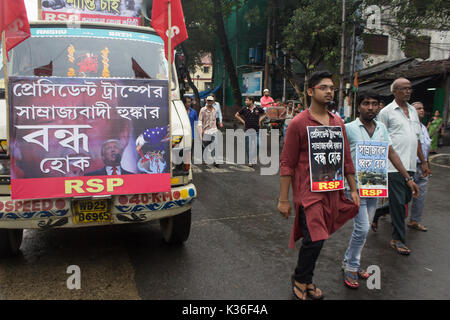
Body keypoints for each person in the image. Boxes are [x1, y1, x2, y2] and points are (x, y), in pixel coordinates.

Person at [278, 71, 360, 300]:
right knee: (316, 238)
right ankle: (301, 279)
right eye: (323, 87)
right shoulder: (298, 123)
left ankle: (307, 278)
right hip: (308, 194)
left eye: (331, 88)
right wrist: (283, 199)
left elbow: (346, 160)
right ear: (310, 91)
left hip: (333, 192)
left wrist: (353, 188)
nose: (329, 91)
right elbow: (287, 163)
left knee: (317, 239)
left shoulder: (337, 122)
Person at [342, 91, 419, 289]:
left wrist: (408, 178)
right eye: (366, 103)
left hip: (373, 187)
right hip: (354, 188)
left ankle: (350, 261)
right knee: (362, 228)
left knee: (364, 229)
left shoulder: (382, 129)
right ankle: (351, 266)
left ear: (379, 107)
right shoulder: (348, 128)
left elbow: (391, 153)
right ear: (358, 106)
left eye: (374, 104)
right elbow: (339, 157)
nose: (370, 107)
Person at [377, 78, 430, 255]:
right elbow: (381, 141)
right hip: (392, 166)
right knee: (399, 203)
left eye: (409, 89)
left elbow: (416, 140)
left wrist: (423, 162)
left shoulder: (414, 112)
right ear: (394, 91)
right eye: (403, 89)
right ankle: (398, 239)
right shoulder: (386, 112)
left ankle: (378, 214)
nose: (407, 92)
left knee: (405, 198)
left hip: (410, 165)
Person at [409, 102, 432, 232]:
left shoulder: (423, 127)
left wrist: (427, 164)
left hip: (421, 166)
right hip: (409, 166)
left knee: (421, 195)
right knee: (403, 196)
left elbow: (425, 148)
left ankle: (414, 221)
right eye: (418, 108)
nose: (421, 110)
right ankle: (380, 213)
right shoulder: (409, 126)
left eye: (422, 108)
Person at [235, 96, 266, 167]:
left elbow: (265, 114)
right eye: (245, 100)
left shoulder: (258, 108)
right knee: (248, 147)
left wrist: (260, 120)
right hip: (247, 131)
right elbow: (236, 115)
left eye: (247, 100)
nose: (245, 102)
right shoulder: (244, 109)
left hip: (256, 131)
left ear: (251, 101)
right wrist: (243, 122)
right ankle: (250, 160)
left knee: (258, 145)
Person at [198, 96, 220, 167]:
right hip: (206, 131)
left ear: (213, 102)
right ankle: (203, 159)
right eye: (208, 101)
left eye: (211, 101)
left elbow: (215, 120)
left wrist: (216, 128)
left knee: (215, 145)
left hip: (214, 130)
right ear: (206, 101)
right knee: (205, 146)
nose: (209, 102)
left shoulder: (215, 110)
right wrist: (201, 130)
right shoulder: (202, 110)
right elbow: (200, 121)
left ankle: (215, 160)